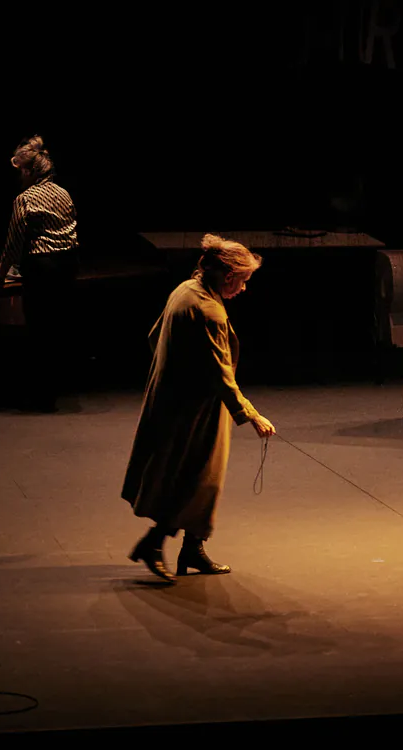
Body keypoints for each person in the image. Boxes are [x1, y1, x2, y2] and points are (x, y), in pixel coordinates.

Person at [121, 234, 276, 583]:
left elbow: (153, 336)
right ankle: (154, 543)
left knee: (201, 479)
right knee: (193, 478)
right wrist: (251, 414)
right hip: (194, 409)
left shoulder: (185, 290)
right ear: (228, 276)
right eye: (243, 281)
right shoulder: (208, 310)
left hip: (177, 397)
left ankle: (193, 547)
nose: (244, 290)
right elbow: (222, 373)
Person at [0, 135, 79, 412]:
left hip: (42, 267)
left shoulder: (24, 199)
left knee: (39, 330)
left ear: (28, 171)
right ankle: (51, 392)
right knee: (57, 328)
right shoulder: (63, 192)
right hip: (68, 264)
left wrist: (0, 275)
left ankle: (40, 398)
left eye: (20, 171)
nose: (18, 176)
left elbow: (14, 242)